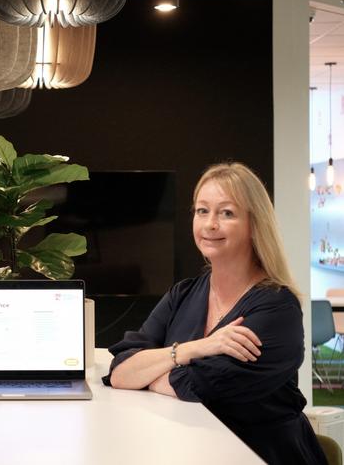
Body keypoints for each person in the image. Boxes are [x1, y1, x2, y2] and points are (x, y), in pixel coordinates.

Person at [104, 162, 327, 465]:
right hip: (194, 450)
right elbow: (121, 370)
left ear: (254, 224)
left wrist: (150, 374)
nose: (210, 224)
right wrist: (196, 348)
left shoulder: (277, 308)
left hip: (264, 455)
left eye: (227, 213)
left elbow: (210, 387)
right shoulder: (182, 294)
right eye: (202, 211)